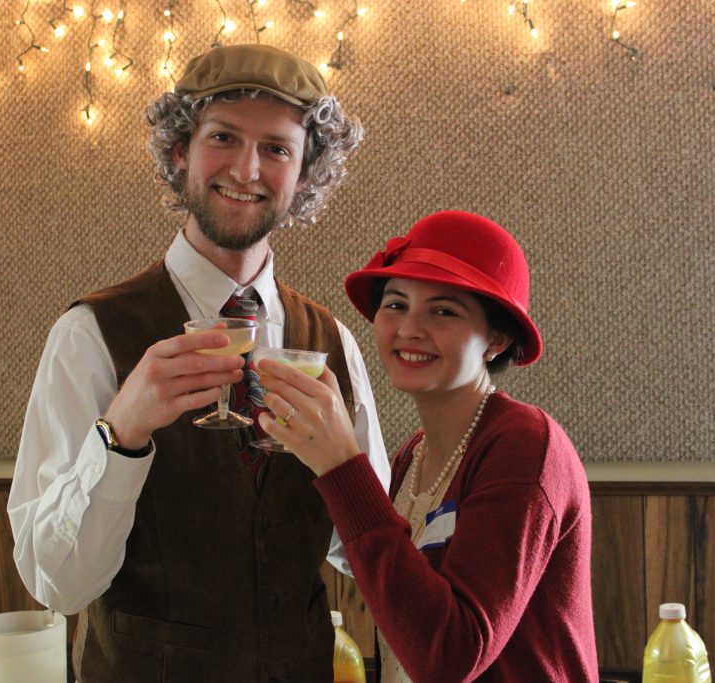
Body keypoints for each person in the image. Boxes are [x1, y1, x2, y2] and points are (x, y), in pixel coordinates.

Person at [7, 43, 390, 682]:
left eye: (277, 149)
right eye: (223, 137)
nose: (246, 169)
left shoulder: (334, 346)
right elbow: (59, 586)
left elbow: (369, 560)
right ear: (181, 150)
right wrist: (121, 434)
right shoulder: (89, 336)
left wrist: (344, 468)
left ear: (304, 175)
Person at [256, 210, 599, 682]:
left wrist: (340, 464)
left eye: (443, 311)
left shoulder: (523, 444)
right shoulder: (413, 456)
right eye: (395, 304)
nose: (409, 329)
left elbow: (451, 656)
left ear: (496, 339)